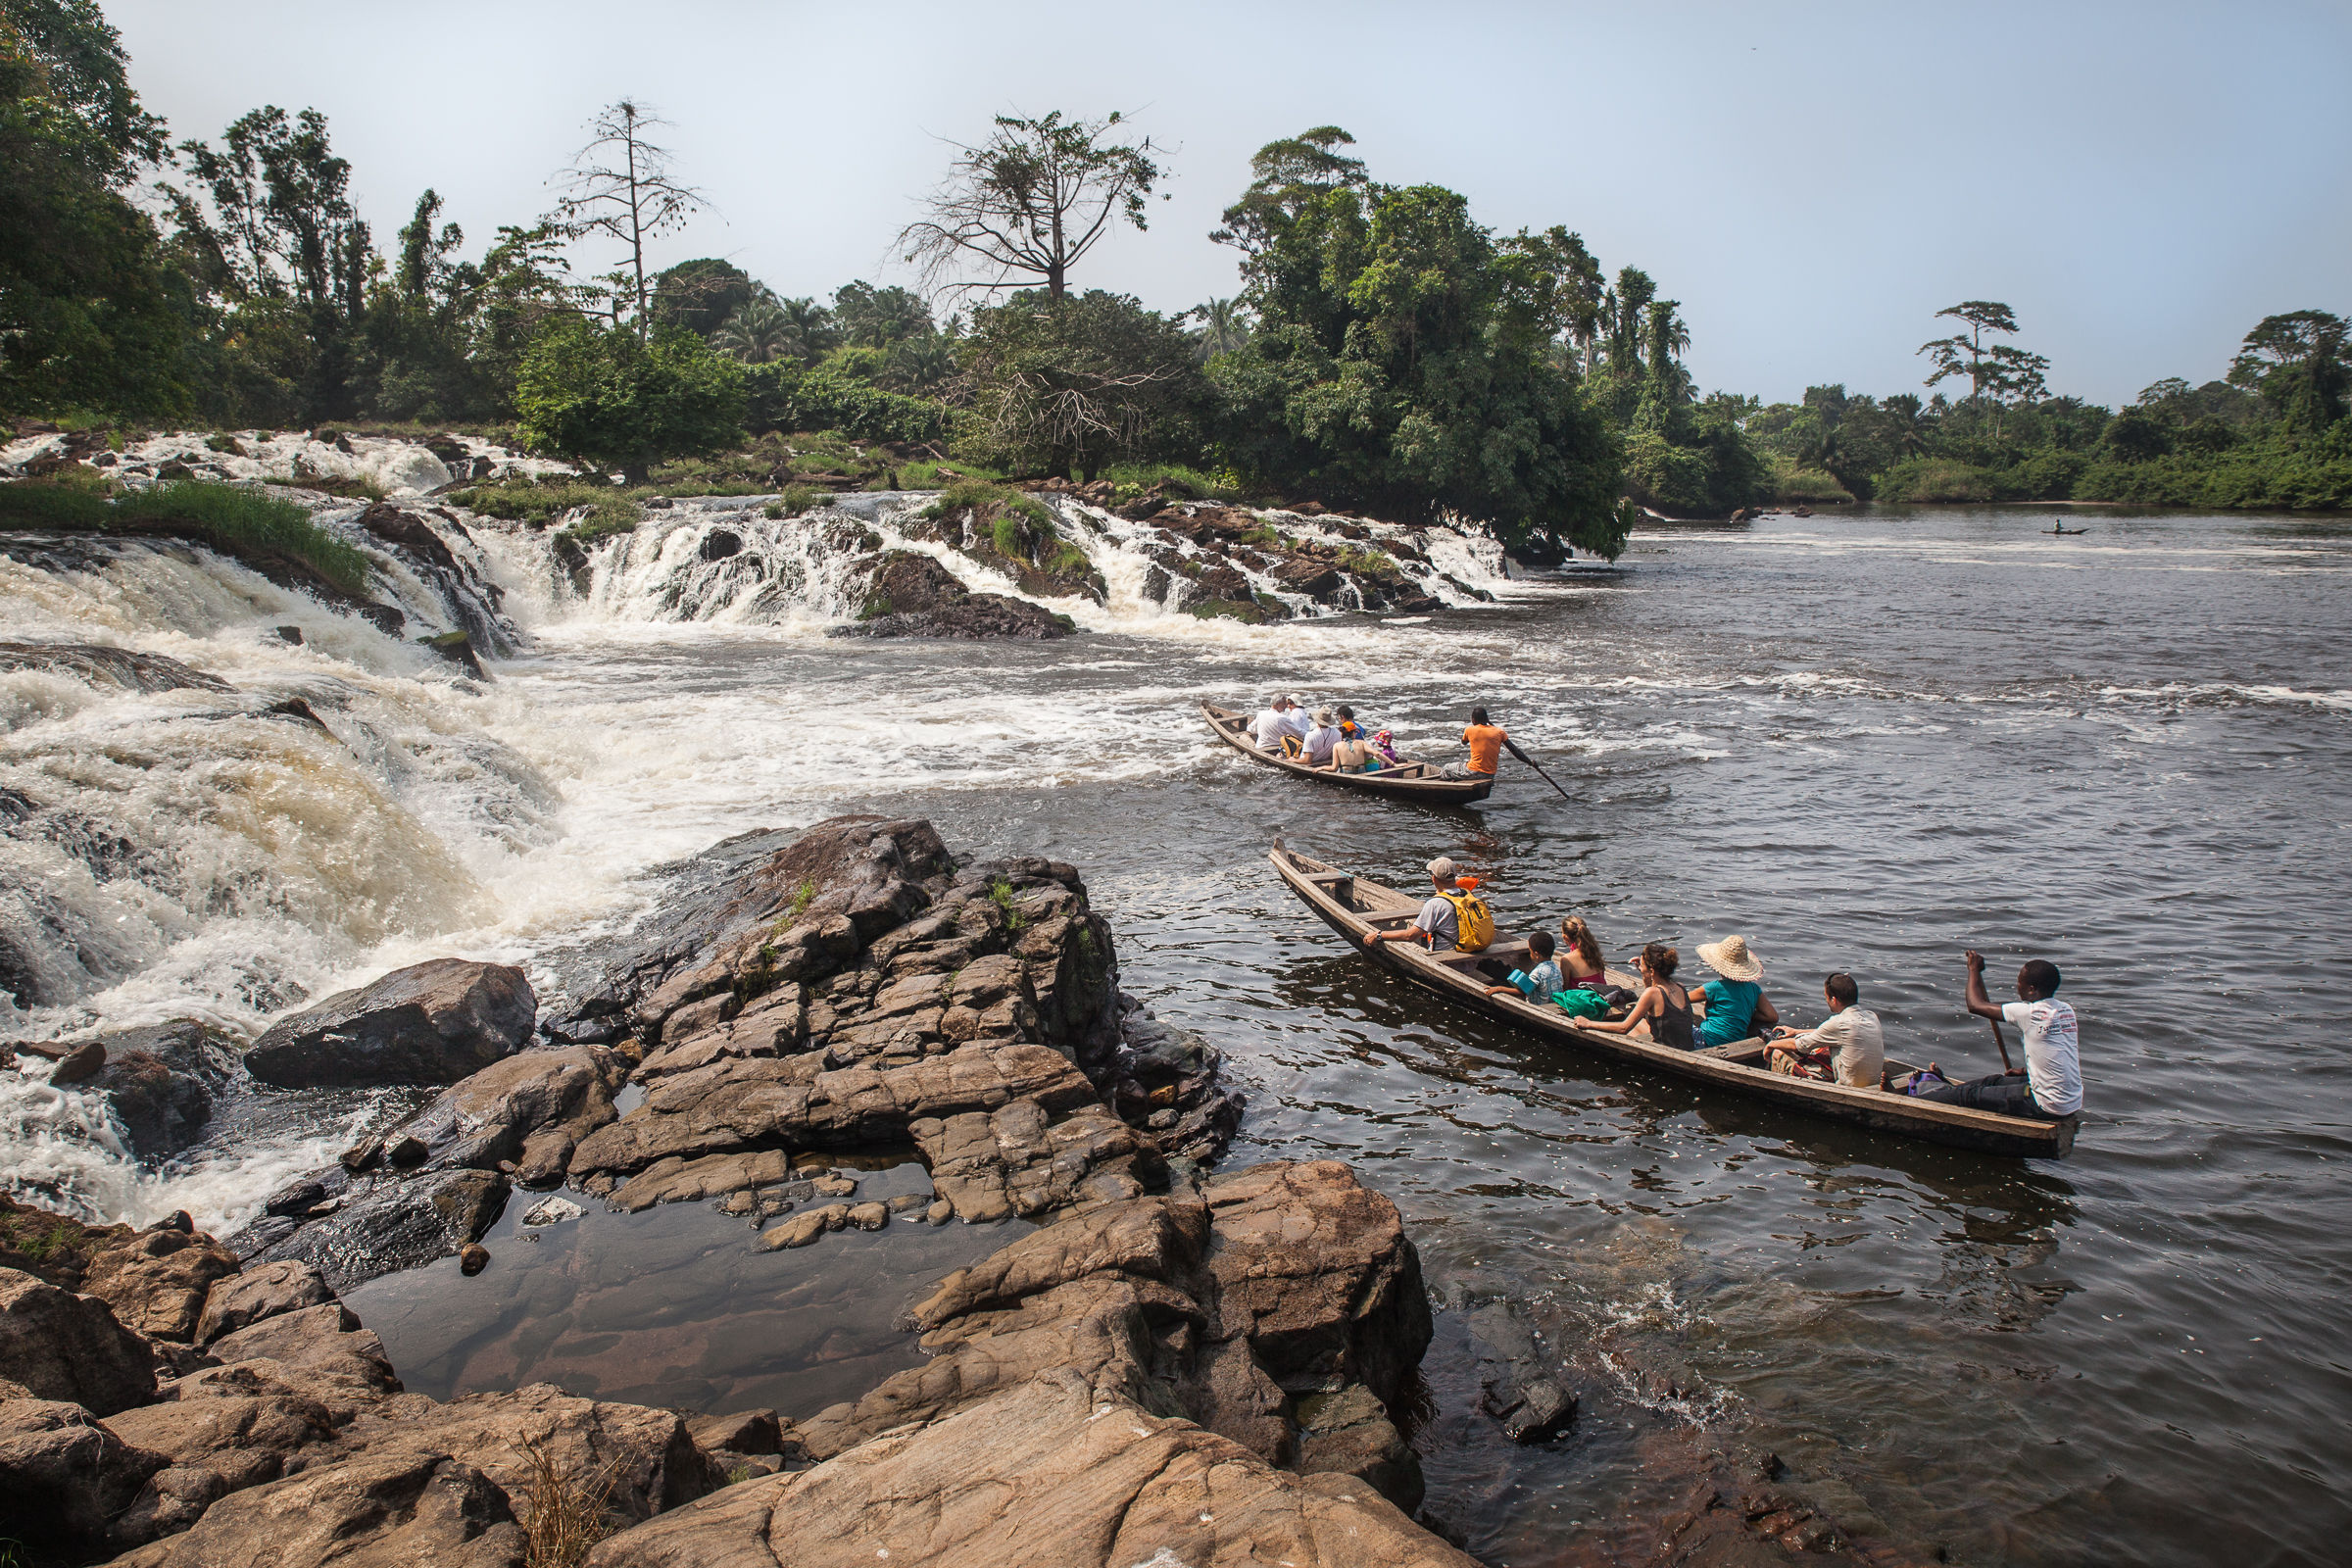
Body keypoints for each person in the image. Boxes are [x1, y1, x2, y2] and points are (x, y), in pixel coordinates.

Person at [1917, 952, 2082, 1119]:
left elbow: (1975, 1005)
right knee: (1993, 1082)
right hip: (2070, 1101)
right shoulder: (2066, 1010)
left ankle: (1913, 1100)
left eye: (2019, 983)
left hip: (2044, 1105)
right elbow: (2059, 1053)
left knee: (1968, 1095)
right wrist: (2027, 1071)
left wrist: (1973, 969)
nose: (2017, 987)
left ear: (2031, 989)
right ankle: (1939, 1089)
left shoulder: (2030, 1013)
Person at [1766, 972, 1884, 1087]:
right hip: (1871, 1083)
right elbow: (1828, 1033)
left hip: (1849, 1088)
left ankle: (1776, 1095)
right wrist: (1796, 1032)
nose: (1826, 1001)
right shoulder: (1871, 1017)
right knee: (1821, 1048)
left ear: (1834, 999)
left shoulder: (1838, 1022)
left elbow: (1799, 1045)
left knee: (1778, 1053)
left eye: (1826, 997)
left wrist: (1771, 1044)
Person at [1365, 857, 1492, 954]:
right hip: (1471, 958)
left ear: (1433, 879)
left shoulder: (1436, 903)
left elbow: (1410, 936)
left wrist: (1379, 935)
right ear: (1454, 877)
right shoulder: (1466, 894)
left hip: (1448, 961)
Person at [1582, 942, 1694, 1049]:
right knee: (1640, 1022)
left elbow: (1623, 1028)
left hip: (1667, 1051)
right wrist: (1645, 974)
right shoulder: (1680, 987)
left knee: (1625, 1028)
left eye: (1642, 966)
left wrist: (1588, 1023)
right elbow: (1654, 999)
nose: (1640, 968)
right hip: (1687, 1046)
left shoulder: (1651, 993)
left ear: (1652, 971)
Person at [1693, 934, 1779, 1046]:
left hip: (1708, 1040)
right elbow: (1772, 1016)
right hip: (1736, 1040)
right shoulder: (1754, 989)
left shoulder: (1713, 988)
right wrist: (1744, 1012)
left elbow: (1680, 998)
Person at [1484, 929, 1563, 1001]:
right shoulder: (1556, 968)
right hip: (1553, 1001)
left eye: (1530, 951)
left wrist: (1499, 989)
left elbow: (1523, 992)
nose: (1530, 954)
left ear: (1536, 954)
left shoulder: (1537, 972)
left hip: (1540, 1004)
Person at [1444, 707, 1507, 782]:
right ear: (1487, 719)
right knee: (1465, 765)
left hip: (1474, 772)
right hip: (1490, 774)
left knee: (1446, 768)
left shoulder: (1470, 730)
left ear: (1473, 720)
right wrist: (1525, 761)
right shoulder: (1499, 732)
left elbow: (1463, 742)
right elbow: (1515, 750)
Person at [1556, 915, 1608, 992]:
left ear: (1565, 937)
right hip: (1602, 994)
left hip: (1583, 999)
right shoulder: (1594, 950)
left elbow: (1566, 988)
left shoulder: (1566, 959)